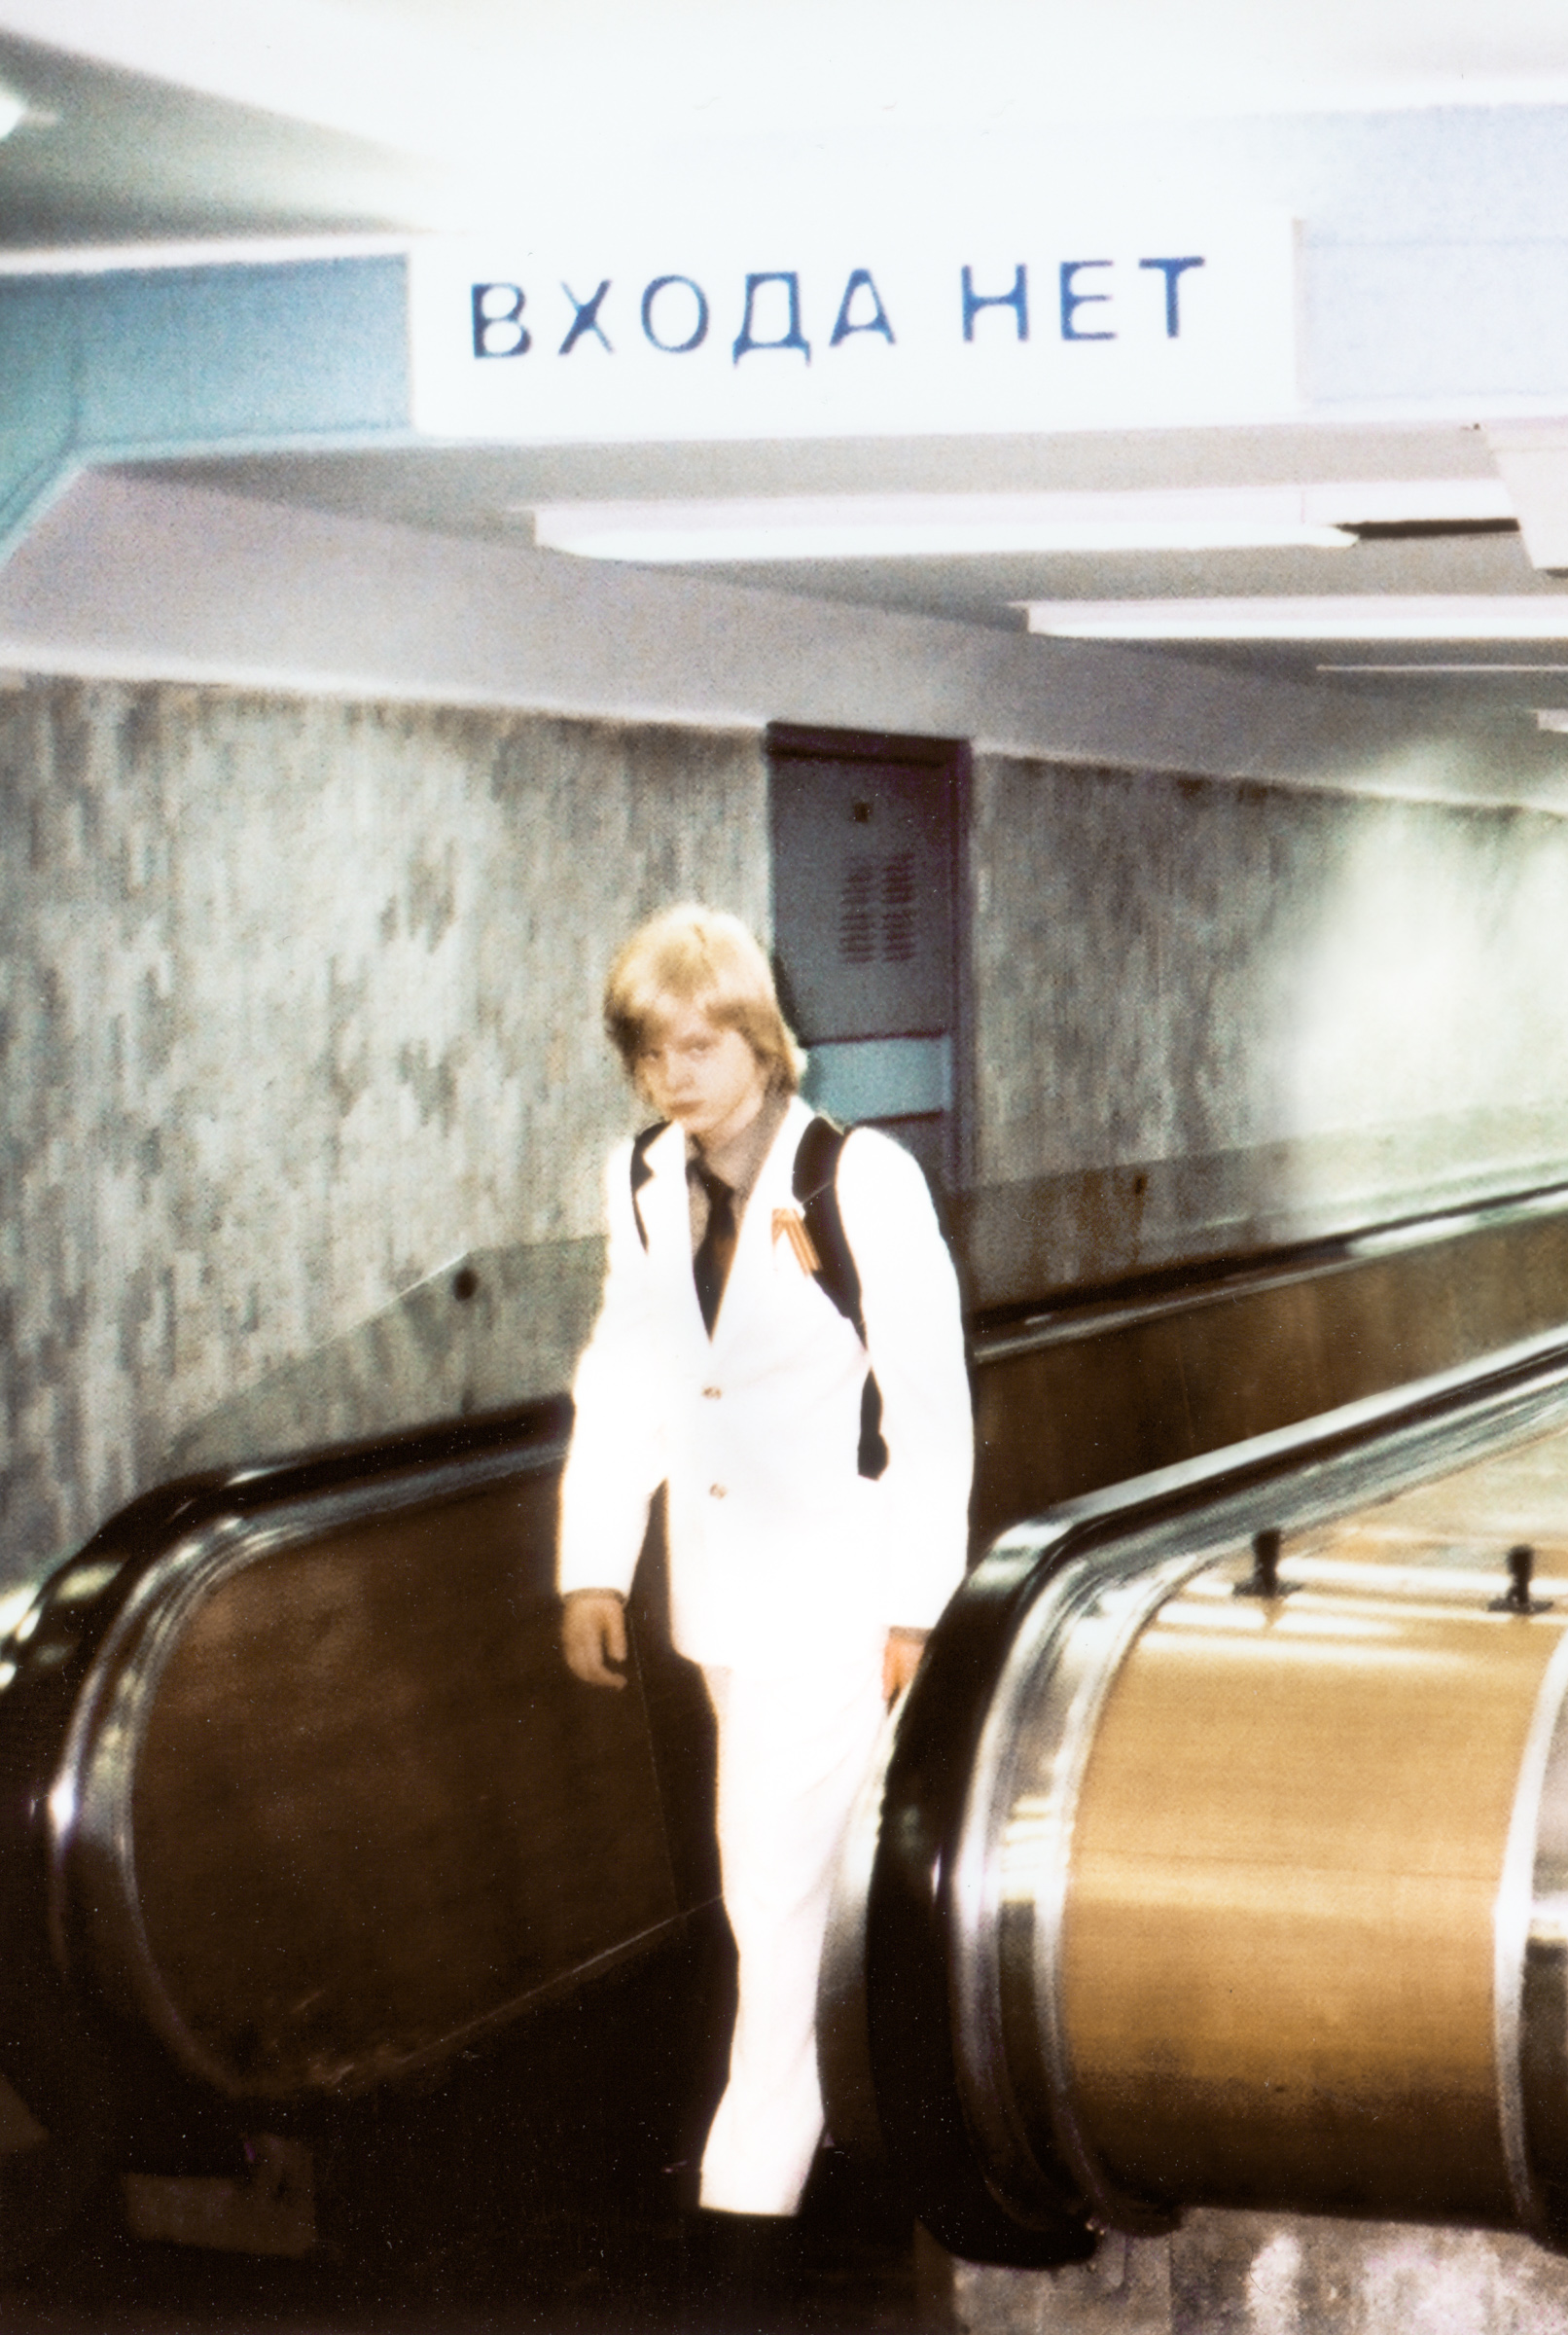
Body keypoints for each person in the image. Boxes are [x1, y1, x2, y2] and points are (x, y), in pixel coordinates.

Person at [553, 903, 971, 2279]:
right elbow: (625, 1373)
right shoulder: (638, 1183)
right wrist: (596, 1562)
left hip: (840, 1601)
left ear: (760, 1040)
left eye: (704, 1043)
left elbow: (925, 1408)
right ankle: (876, 2129)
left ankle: (745, 2216)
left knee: (772, 1894)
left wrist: (919, 1607)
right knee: (797, 1878)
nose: (679, 1075)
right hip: (722, 1610)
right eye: (653, 1051)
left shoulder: (862, 1181)